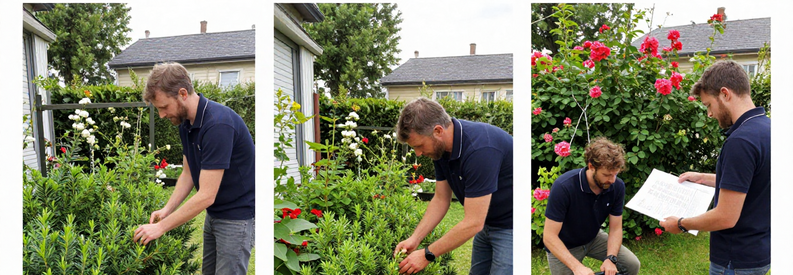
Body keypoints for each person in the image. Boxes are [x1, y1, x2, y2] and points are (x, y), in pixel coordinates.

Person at [132, 62, 255, 274]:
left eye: (164, 107)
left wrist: (160, 228)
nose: (161, 115)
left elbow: (206, 195)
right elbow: (188, 173)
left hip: (236, 217)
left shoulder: (218, 124)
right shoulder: (187, 123)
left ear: (182, 93)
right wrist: (167, 209)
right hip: (214, 214)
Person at [659, 60, 770, 274]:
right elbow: (753, 181)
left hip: (734, 260)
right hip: (759, 251)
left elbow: (725, 217)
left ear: (725, 94)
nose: (709, 114)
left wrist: (681, 224)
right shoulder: (768, 129)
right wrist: (703, 178)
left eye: (709, 105)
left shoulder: (740, 141)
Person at [392, 98, 513, 274]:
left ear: (438, 131)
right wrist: (415, 238)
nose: (418, 153)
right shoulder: (441, 149)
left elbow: (473, 222)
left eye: (419, 146)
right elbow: (441, 199)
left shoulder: (480, 150)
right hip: (487, 223)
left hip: (512, 226)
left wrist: (427, 255)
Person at [543, 137, 640, 275]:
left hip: (593, 238)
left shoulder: (617, 186)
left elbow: (616, 228)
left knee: (632, 265)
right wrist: (577, 267)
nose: (612, 180)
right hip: (564, 244)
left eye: (615, 174)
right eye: (606, 175)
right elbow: (549, 236)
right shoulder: (564, 187)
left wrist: (611, 258)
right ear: (591, 167)